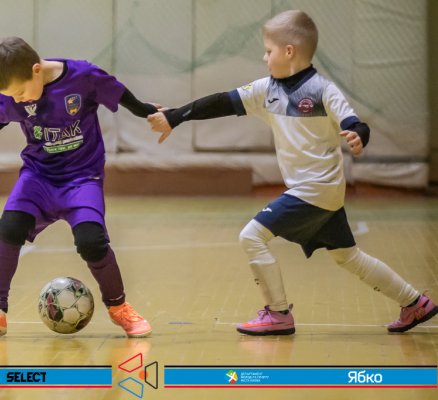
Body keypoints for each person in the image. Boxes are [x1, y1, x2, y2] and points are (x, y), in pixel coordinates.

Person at [147, 10, 437, 336]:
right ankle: (415, 303)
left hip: (315, 189)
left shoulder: (323, 90)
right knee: (349, 257)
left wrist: (358, 134)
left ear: (288, 52)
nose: (264, 57)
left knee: (251, 236)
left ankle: (278, 313)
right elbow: (220, 102)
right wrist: (175, 116)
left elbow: (355, 123)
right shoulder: (265, 89)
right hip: (323, 193)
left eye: (268, 51)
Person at [0, 37, 160, 339]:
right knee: (9, 229)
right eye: (12, 97)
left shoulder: (83, 76)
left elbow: (118, 93)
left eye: (21, 93)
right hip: (38, 177)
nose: (19, 100)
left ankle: (119, 307)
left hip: (82, 178)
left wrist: (148, 111)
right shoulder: (15, 95)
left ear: (36, 71)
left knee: (91, 242)